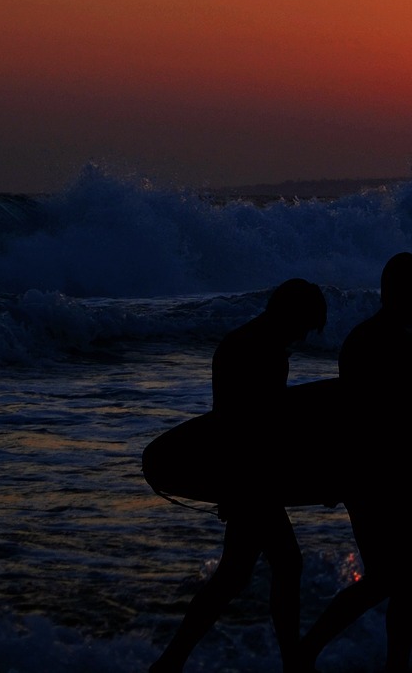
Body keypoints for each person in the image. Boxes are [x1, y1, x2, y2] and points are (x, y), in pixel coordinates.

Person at [298, 252, 412, 672]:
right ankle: (307, 651)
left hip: (391, 469)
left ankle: (391, 664)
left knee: (404, 580)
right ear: (408, 291)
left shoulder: (387, 334)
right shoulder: (388, 339)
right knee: (389, 578)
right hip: (371, 471)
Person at [151, 278, 327, 673]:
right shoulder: (262, 351)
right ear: (291, 314)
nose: (302, 335)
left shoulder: (241, 342)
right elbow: (258, 429)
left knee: (233, 576)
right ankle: (292, 663)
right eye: (304, 324)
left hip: (241, 473)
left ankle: (171, 662)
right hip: (251, 477)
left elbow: (237, 424)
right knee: (283, 565)